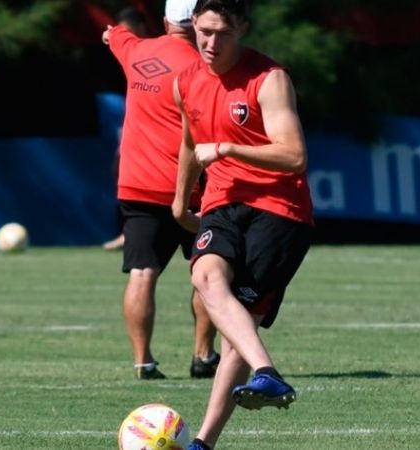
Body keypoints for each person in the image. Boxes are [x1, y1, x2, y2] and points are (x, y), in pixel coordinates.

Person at [169, 1, 314, 448]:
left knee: (237, 331)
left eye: (222, 34)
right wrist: (178, 204)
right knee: (205, 275)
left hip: (279, 210)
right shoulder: (185, 82)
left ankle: (203, 443)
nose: (210, 43)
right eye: (204, 31)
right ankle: (267, 373)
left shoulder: (269, 79)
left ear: (243, 29)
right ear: (193, 25)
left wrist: (230, 148)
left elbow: (294, 156)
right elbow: (191, 144)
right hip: (222, 203)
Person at [103, 0, 219, 380]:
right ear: (199, 22)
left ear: (167, 19)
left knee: (141, 272)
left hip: (138, 185)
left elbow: (113, 33)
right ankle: (203, 356)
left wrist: (111, 35)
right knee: (208, 272)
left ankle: (143, 362)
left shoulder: (136, 49)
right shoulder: (205, 65)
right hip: (193, 189)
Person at [102, 6, 153, 252]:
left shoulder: (155, 54)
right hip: (135, 133)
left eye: (130, 32)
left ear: (142, 29)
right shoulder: (126, 53)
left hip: (160, 133)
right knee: (121, 169)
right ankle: (128, 231)